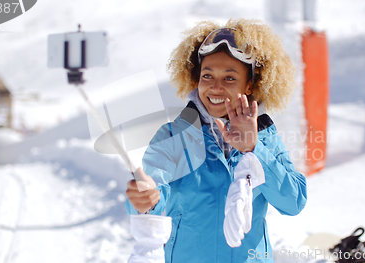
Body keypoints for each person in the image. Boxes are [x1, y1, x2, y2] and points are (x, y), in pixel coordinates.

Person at [125, 19, 307, 263]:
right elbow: (155, 197)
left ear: (250, 83)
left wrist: (254, 150)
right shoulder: (173, 137)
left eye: (229, 78)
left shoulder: (264, 138)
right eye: (207, 76)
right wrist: (145, 200)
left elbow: (293, 202)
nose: (215, 88)